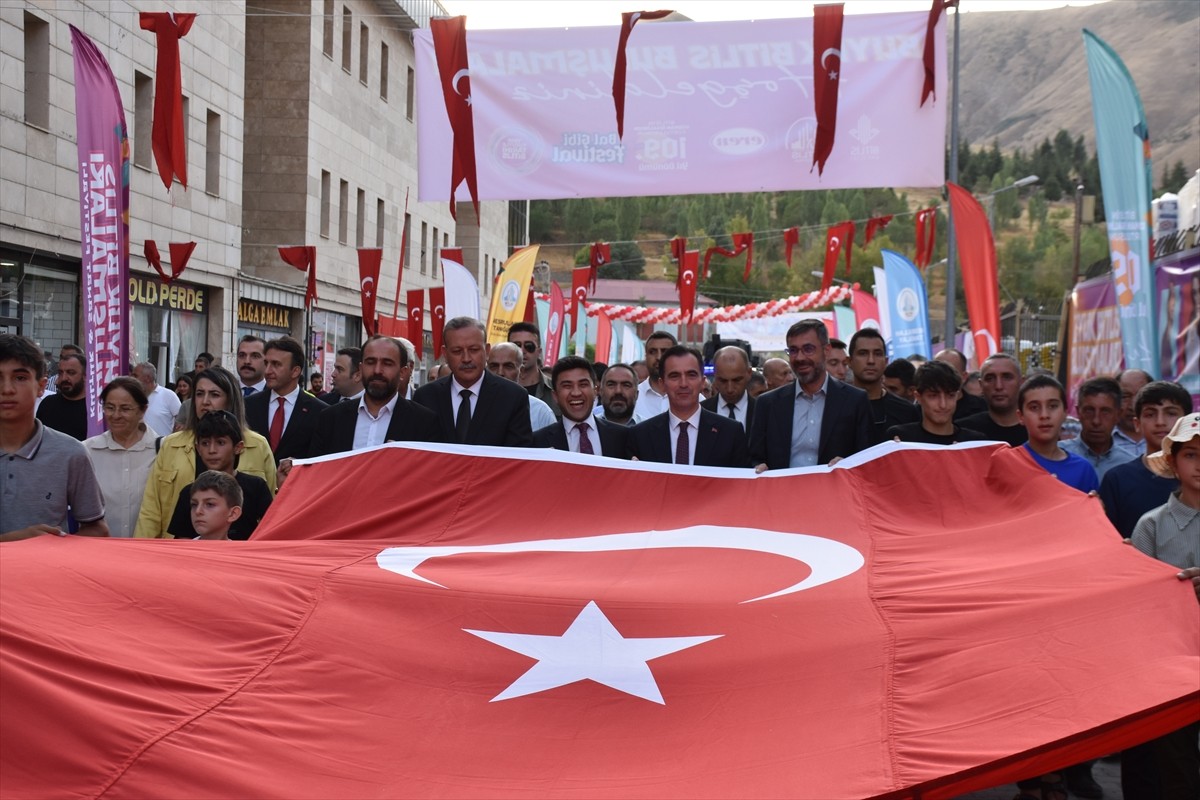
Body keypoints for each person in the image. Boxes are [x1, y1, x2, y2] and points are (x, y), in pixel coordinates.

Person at [1122, 412, 1200, 800]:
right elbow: (1134, 606)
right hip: (1169, 667)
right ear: (1173, 462)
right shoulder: (1150, 526)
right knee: (1177, 768)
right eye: (1191, 455)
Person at [135, 366, 276, 539]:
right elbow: (151, 509)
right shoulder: (171, 444)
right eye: (200, 394)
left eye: (214, 395)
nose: (205, 401)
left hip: (241, 556)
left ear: (230, 400)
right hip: (180, 551)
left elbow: (271, 516)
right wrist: (143, 554)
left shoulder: (257, 445)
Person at [1, 334, 108, 541]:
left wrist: (55, 545)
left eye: (20, 378)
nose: (7, 389)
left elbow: (97, 529)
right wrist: (19, 541)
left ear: (41, 386)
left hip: (48, 573)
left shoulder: (70, 453)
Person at [749, 319, 870, 470]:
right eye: (793, 350)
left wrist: (847, 464)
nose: (800, 358)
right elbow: (754, 458)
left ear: (826, 350)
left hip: (834, 491)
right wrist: (760, 467)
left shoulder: (855, 400)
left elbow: (866, 459)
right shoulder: (767, 403)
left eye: (808, 349)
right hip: (781, 491)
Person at [307, 335, 440, 458]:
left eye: (387, 363)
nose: (377, 370)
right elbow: (315, 472)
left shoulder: (424, 423)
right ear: (361, 368)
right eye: (370, 362)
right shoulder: (330, 419)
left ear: (403, 372)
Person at [413, 317, 532, 447]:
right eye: (457, 351)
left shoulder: (513, 397)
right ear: (445, 354)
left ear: (487, 351)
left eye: (474, 350)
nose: (466, 359)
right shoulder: (425, 397)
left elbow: (519, 456)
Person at [1099, 381, 1192, 539]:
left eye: (1171, 413)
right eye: (1150, 414)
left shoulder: (1195, 478)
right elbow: (1107, 541)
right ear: (1137, 424)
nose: (1160, 422)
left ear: (1187, 422)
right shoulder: (1118, 480)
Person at [627, 345, 748, 467]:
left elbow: (742, 482)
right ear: (662, 384)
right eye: (675, 376)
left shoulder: (730, 432)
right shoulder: (641, 435)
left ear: (702, 382)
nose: (683, 384)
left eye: (691, 375)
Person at [167, 411, 272, 541]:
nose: (212, 450)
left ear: (238, 447)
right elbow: (183, 541)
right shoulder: (189, 492)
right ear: (198, 449)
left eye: (220, 443)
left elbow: (271, 530)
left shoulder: (256, 486)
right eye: (205, 443)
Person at [83, 377, 159, 537]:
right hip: (100, 552)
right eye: (110, 407)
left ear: (142, 410)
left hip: (149, 552)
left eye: (125, 409)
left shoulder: (161, 450)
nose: (116, 415)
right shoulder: (87, 451)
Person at [245, 336, 326, 463]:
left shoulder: (319, 411)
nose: (267, 371)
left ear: (295, 371)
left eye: (276, 364)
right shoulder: (249, 405)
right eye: (266, 363)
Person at [1016, 374, 1098, 494]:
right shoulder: (1009, 463)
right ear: (1021, 416)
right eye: (1034, 407)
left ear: (1065, 412)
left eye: (1053, 406)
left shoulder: (1082, 469)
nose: (1044, 415)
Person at [534, 356, 629, 458]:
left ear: (595, 391)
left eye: (583, 385)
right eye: (567, 386)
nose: (576, 393)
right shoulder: (538, 443)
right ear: (555, 396)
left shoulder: (623, 437)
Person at [1058, 377, 1140, 480]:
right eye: (1089, 411)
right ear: (1078, 412)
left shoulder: (1130, 465)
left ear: (1118, 415)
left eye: (1105, 412)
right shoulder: (1057, 456)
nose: (1096, 421)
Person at [848, 328, 920, 445]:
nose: (871, 360)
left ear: (886, 361)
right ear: (849, 361)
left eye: (877, 354)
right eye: (863, 353)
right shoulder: (834, 407)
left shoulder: (907, 411)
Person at [887, 361, 985, 445]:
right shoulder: (901, 437)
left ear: (957, 396)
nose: (943, 404)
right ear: (918, 397)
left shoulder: (974, 441)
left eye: (950, 395)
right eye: (933, 396)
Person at [958, 353, 1028, 446]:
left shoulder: (1039, 429)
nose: (999, 386)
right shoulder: (962, 432)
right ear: (981, 384)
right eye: (990, 378)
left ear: (1021, 382)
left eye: (1007, 377)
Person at [487, 342, 556, 431]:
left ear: (521, 371)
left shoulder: (540, 412)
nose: (500, 373)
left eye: (508, 366)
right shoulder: (473, 406)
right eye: (494, 366)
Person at [507, 321, 560, 418]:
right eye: (516, 346)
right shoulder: (498, 389)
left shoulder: (556, 389)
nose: (522, 351)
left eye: (529, 346)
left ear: (539, 351)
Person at [35, 350, 87, 440]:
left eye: (71, 373)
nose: (64, 378)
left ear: (85, 376)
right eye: (60, 373)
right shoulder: (48, 404)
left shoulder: (95, 410)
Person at [702, 346, 756, 431]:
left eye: (736, 380)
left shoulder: (764, 412)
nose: (729, 389)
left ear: (749, 373)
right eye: (723, 381)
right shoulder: (701, 411)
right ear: (715, 376)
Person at [632, 331, 678, 423]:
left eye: (664, 351)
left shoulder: (694, 398)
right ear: (646, 356)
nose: (659, 357)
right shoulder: (633, 397)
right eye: (652, 352)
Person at [186, 470, 243, 541]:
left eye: (210, 504)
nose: (198, 511)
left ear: (233, 514)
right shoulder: (179, 551)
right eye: (194, 504)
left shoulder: (237, 552)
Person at [933, 348, 989, 419]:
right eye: (939, 372)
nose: (944, 377)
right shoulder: (922, 409)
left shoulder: (984, 408)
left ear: (964, 377)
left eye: (951, 372)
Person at [132, 361, 182, 437]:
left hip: (162, 447)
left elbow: (182, 420)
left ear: (147, 378)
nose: (132, 378)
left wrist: (171, 440)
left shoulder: (168, 395)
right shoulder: (132, 396)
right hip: (137, 447)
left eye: (135, 376)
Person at [1114, 368, 1151, 452]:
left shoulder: (1166, 439)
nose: (1133, 406)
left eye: (1141, 396)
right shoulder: (1102, 441)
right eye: (1125, 397)